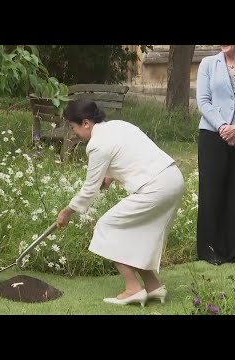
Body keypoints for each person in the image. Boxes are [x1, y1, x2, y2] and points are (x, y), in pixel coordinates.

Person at [56, 99, 184, 307]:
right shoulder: (118, 126)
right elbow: (131, 156)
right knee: (137, 233)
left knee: (107, 227)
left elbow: (89, 189)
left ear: (86, 123)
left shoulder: (96, 145)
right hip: (173, 179)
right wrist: (111, 176)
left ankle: (133, 289)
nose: (73, 134)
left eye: (73, 127)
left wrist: (67, 212)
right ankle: (153, 286)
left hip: (155, 187)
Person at [196, 45, 235, 266]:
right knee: (211, 191)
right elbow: (203, 101)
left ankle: (234, 251)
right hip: (213, 134)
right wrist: (225, 127)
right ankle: (208, 250)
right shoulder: (208, 64)